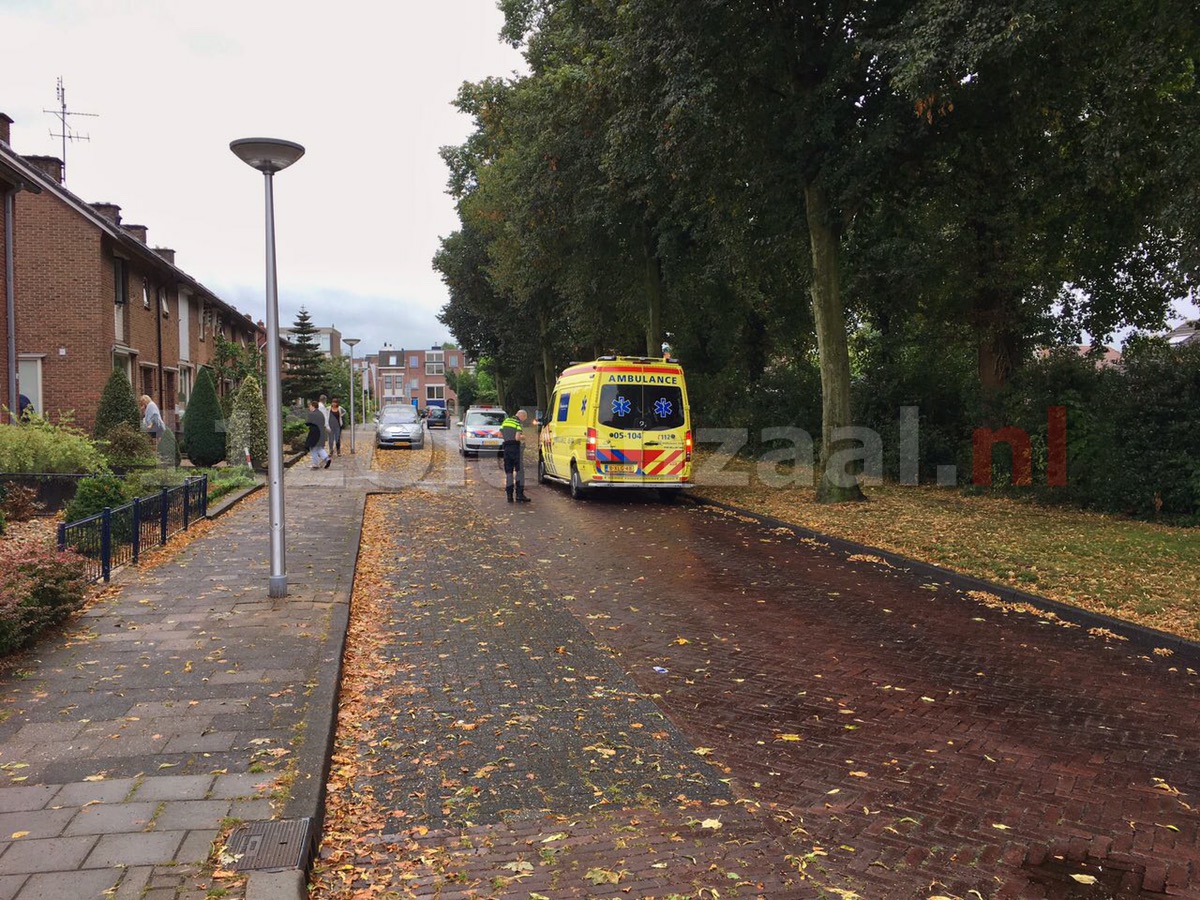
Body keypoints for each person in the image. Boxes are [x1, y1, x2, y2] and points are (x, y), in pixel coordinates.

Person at [500, 408, 531, 503]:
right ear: (522, 416)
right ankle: (519, 495)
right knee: (519, 472)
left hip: (506, 449)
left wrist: (507, 437)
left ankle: (509, 496)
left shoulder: (506, 421)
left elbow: (499, 435)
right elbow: (517, 438)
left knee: (509, 473)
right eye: (524, 419)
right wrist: (523, 437)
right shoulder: (517, 423)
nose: (523, 420)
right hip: (516, 450)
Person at [305, 399, 332, 469]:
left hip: (314, 433)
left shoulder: (312, 414)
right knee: (319, 447)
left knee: (313, 448)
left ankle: (315, 464)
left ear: (313, 406)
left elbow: (308, 423)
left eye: (310, 406)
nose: (309, 407)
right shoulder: (320, 413)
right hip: (321, 432)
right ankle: (327, 459)